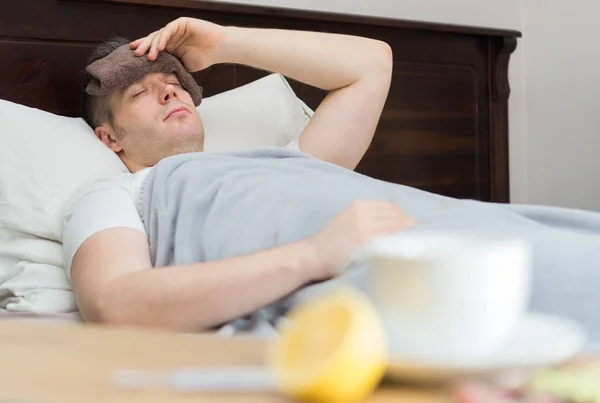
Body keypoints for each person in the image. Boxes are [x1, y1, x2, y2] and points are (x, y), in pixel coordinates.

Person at [65, 17, 600, 340]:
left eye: (174, 84)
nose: (169, 92)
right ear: (110, 139)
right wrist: (317, 254)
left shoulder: (286, 160)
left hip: (462, 228)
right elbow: (118, 304)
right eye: (140, 93)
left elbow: (372, 62)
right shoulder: (117, 195)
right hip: (383, 268)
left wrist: (224, 42)